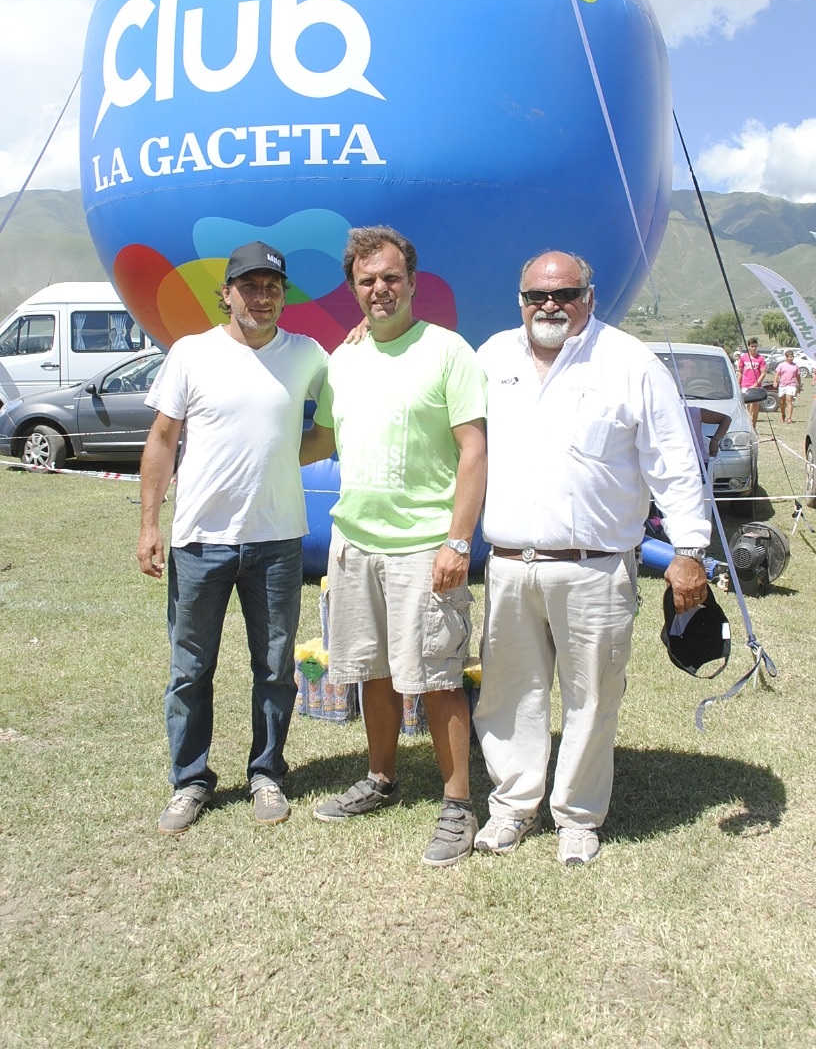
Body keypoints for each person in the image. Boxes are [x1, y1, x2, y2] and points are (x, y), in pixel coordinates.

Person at [472, 251, 709, 867]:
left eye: (565, 293)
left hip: (597, 566)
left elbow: (675, 463)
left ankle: (577, 816)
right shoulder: (491, 357)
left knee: (592, 695)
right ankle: (512, 807)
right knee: (508, 693)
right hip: (507, 563)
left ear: (591, 297)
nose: (549, 305)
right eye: (535, 296)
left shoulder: (631, 363)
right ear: (519, 300)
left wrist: (688, 550)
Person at [299, 226, 487, 868]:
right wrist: (253, 456)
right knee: (371, 671)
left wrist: (457, 540)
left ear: (412, 281)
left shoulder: (448, 352)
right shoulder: (342, 359)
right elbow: (323, 441)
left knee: (436, 678)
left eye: (390, 278)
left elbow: (473, 451)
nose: (379, 290)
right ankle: (381, 778)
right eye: (366, 280)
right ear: (353, 288)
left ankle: (458, 804)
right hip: (354, 547)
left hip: (424, 548)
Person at [137, 241, 328, 835]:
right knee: (190, 670)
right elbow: (162, 440)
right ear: (226, 293)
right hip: (199, 542)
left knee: (273, 667)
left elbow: (329, 430)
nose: (262, 297)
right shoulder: (192, 354)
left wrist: (276, 462)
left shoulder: (308, 355)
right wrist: (149, 524)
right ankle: (190, 782)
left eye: (272, 287)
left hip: (277, 541)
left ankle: (266, 772)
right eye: (249, 286)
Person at [736, 338, 766, 427]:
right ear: (748, 346)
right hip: (745, 384)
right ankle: (746, 425)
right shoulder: (744, 357)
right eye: (752, 346)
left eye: (755, 346)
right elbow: (740, 371)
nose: (754, 348)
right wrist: (738, 383)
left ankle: (754, 425)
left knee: (755, 406)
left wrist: (756, 384)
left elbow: (763, 373)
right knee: (746, 406)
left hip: (756, 386)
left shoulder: (760, 358)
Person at [773, 350, 801, 423]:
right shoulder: (781, 365)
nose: (791, 358)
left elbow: (798, 376)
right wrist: (775, 381)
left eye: (792, 357)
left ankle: (789, 418)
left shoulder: (795, 365)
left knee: (789, 400)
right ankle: (783, 414)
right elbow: (777, 374)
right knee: (782, 402)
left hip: (791, 384)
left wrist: (799, 384)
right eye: (790, 357)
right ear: (786, 357)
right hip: (782, 385)